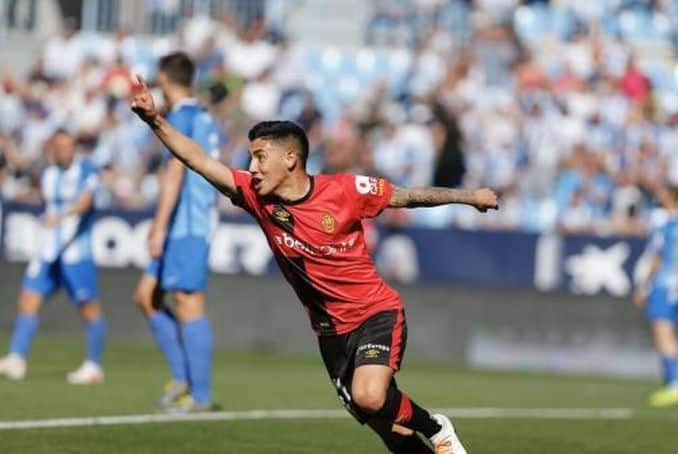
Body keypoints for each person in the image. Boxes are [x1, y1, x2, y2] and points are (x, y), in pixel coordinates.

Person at [131, 75, 499, 453]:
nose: (252, 167)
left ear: (290, 158)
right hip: (331, 335)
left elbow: (407, 197)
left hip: (374, 313)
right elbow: (199, 160)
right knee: (390, 431)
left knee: (371, 397)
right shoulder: (257, 198)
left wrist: (470, 196)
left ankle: (436, 426)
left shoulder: (344, 191)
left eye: (260, 157)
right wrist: (155, 120)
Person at [132, 52, 219, 413]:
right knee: (146, 296)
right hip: (188, 223)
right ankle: (182, 378)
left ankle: (198, 396)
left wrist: (158, 226)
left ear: (165, 78)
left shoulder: (182, 117)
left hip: (187, 224)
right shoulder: (199, 114)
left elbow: (176, 174)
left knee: (188, 304)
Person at [0, 129, 106, 384]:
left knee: (89, 309)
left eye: (69, 145)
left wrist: (60, 218)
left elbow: (86, 202)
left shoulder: (87, 169)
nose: (65, 150)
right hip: (48, 251)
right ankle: (16, 359)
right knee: (28, 300)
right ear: (53, 148)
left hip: (75, 253)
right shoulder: (49, 173)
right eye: (60, 146)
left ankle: (93, 366)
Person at [634, 184, 678, 407]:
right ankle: (671, 381)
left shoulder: (665, 225)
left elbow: (657, 257)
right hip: (677, 284)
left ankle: (675, 384)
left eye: (663, 192)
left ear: (671, 196)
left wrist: (643, 285)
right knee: (667, 332)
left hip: (663, 283)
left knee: (663, 333)